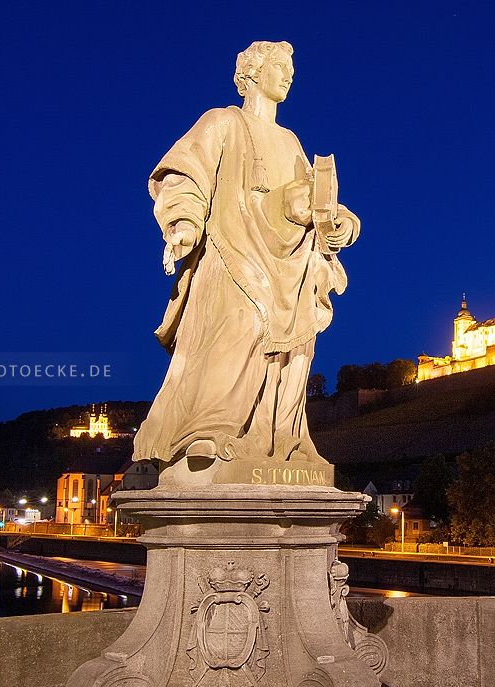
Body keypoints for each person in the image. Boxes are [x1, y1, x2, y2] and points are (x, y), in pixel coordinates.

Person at [132, 41, 359, 483]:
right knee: (239, 330)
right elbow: (186, 174)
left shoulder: (291, 141)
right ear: (251, 74)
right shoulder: (223, 122)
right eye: (279, 65)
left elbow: (316, 199)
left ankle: (280, 440)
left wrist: (339, 225)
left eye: (291, 67)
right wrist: (183, 224)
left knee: (292, 351)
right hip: (232, 249)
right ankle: (210, 430)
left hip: (289, 264)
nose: (289, 74)